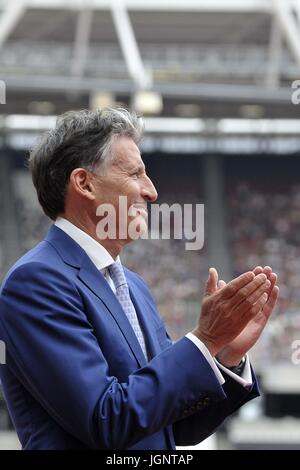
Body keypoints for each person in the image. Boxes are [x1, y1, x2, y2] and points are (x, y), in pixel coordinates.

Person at [0, 108, 279, 450]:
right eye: (135, 174)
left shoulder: (134, 286)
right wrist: (203, 341)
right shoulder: (35, 282)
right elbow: (106, 420)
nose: (152, 192)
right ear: (84, 183)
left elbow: (174, 426)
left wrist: (223, 356)